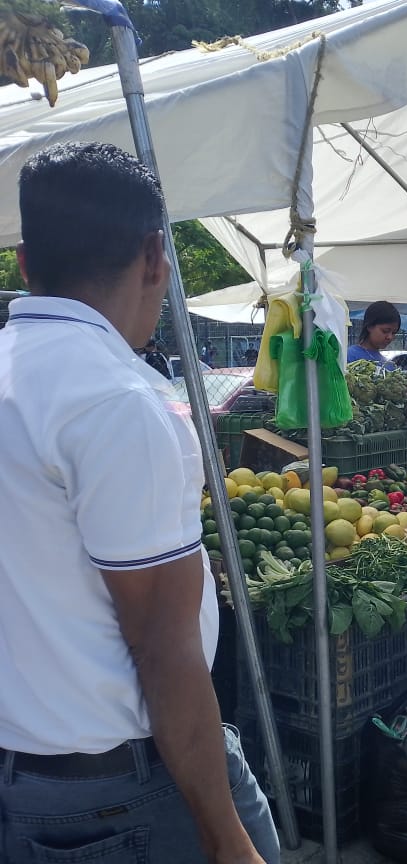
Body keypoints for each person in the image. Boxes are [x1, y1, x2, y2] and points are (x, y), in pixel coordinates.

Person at [0, 143, 277, 863]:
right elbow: (165, 649)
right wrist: (226, 838)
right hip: (124, 794)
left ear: (26, 263)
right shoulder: (117, 403)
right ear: (156, 257)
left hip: (32, 780)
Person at [348, 300, 401, 364]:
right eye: (385, 331)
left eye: (394, 333)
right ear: (370, 326)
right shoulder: (349, 356)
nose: (390, 337)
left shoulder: (388, 365)